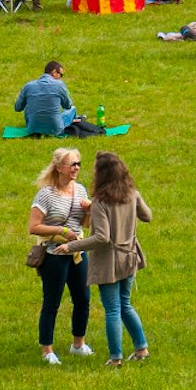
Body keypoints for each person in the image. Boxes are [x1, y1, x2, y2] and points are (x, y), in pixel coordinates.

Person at [55, 151, 150, 366]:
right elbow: (147, 216)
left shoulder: (101, 202)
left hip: (110, 263)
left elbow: (102, 238)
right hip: (130, 257)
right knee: (125, 304)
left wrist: (70, 246)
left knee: (113, 309)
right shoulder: (132, 194)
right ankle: (141, 348)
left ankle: (115, 358)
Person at [28, 148, 92, 365]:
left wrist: (89, 212)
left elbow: (85, 224)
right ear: (59, 168)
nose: (76, 168)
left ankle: (78, 344)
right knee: (52, 302)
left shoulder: (81, 191)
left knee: (83, 300)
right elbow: (33, 227)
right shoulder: (46, 194)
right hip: (54, 254)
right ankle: (47, 350)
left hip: (77, 253)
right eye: (72, 164)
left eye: (78, 164)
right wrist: (62, 232)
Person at [14, 60, 80, 137]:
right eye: (61, 75)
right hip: (56, 129)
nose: (61, 78)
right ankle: (76, 120)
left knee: (28, 105)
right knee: (72, 109)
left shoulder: (28, 86)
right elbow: (68, 106)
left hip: (32, 129)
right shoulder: (59, 85)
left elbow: (17, 108)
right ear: (54, 72)